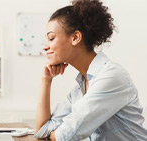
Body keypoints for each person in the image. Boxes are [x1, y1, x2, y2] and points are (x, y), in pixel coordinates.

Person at [34, 0, 147, 141]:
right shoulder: (79, 88)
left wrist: (56, 134)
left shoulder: (112, 76)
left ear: (75, 37)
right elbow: (42, 131)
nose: (45, 46)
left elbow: (66, 135)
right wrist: (46, 80)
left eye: (51, 38)